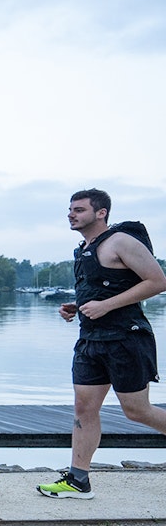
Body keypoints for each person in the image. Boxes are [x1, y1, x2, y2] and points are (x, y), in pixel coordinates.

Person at [43, 189, 166, 499]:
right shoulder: (83, 248)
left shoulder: (121, 241)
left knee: (137, 411)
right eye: (70, 209)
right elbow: (101, 290)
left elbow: (158, 281)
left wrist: (106, 305)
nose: (71, 214)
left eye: (79, 209)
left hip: (126, 338)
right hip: (90, 341)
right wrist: (77, 305)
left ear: (101, 213)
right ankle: (78, 480)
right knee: (84, 408)